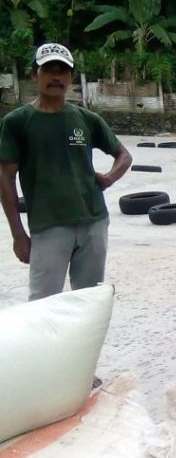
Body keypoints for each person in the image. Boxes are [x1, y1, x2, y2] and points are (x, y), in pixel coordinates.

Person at [0, 43, 132, 300]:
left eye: (63, 71)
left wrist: (108, 178)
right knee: (43, 305)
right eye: (49, 69)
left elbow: (123, 155)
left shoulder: (86, 119)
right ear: (33, 74)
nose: (56, 77)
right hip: (48, 226)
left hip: (93, 221)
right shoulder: (17, 123)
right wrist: (18, 235)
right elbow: (5, 177)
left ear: (71, 77)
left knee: (88, 302)